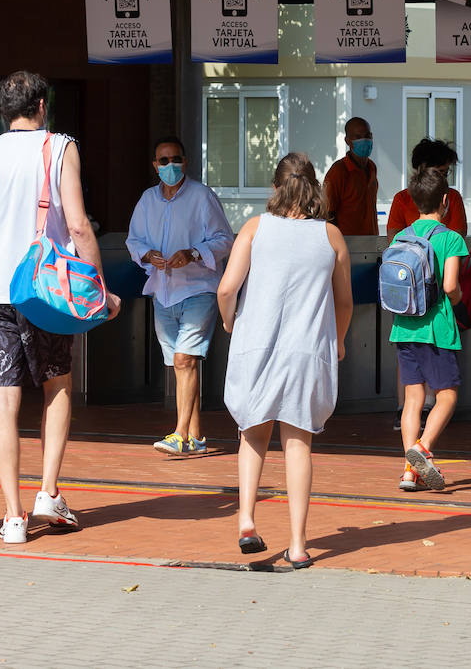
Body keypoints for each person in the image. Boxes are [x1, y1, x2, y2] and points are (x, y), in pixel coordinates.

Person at [0, 70, 121, 544]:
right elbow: (80, 225)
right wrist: (98, 292)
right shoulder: (61, 148)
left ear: (4, 111)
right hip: (45, 292)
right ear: (42, 105)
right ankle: (48, 491)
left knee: (3, 399)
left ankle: (13, 517)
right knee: (57, 385)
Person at [218, 153, 353, 569]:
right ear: (314, 187)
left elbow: (227, 289)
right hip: (306, 351)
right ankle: (297, 544)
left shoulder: (256, 229)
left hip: (256, 345)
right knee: (298, 445)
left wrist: (230, 323)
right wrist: (340, 341)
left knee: (252, 434)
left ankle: (246, 520)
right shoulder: (331, 236)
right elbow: (345, 302)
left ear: (275, 188)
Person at [126, 135, 234, 456]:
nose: (170, 165)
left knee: (183, 359)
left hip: (199, 288)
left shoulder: (202, 197)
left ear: (185, 162)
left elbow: (224, 239)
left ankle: (180, 435)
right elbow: (134, 240)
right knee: (182, 365)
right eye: (163, 160)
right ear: (155, 166)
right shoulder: (147, 200)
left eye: (175, 159)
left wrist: (194, 253)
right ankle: (197, 435)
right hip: (163, 290)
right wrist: (148, 255)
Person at [389, 167, 469, 492]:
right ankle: (421, 450)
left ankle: (409, 472)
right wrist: (460, 298)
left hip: (404, 327)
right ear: (446, 201)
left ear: (413, 200)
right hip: (436, 328)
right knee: (447, 396)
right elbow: (450, 286)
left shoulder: (400, 236)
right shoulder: (450, 238)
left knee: (413, 398)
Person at [387, 137, 468, 238]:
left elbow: (458, 237)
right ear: (421, 169)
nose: (443, 178)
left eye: (446, 172)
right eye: (439, 172)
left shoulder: (453, 197)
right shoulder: (402, 198)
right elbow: (394, 237)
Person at [323, 116, 378, 236]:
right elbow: (328, 214)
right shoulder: (338, 172)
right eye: (358, 137)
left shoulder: (372, 167)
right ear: (348, 141)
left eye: (368, 136)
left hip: (371, 243)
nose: (364, 140)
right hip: (348, 246)